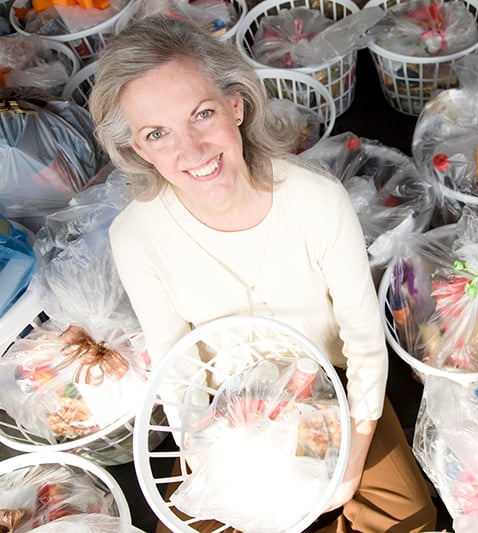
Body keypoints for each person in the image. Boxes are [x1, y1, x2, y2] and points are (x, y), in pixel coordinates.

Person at [88, 14, 437, 533]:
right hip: (227, 415)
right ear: (138, 149)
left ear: (236, 105)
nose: (191, 151)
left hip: (333, 390)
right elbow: (176, 369)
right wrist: (208, 454)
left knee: (407, 518)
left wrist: (351, 460)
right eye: (157, 133)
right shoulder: (135, 235)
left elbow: (364, 341)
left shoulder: (316, 199)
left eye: (202, 114)